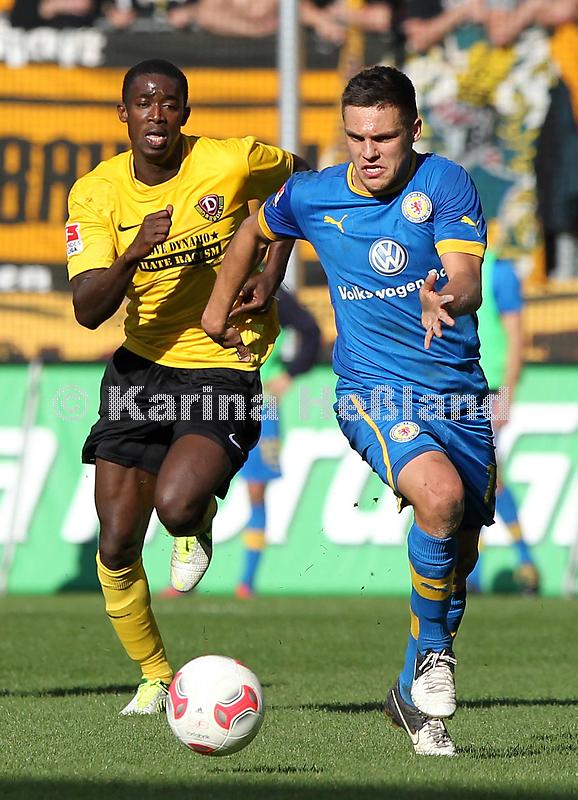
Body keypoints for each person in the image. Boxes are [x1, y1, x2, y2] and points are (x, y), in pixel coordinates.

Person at [202, 65, 496, 757]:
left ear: (413, 130)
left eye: (383, 138)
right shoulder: (314, 193)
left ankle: (411, 694)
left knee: (456, 559)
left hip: (457, 395)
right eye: (356, 137)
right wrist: (226, 307)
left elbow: (467, 280)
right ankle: (435, 664)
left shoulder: (444, 183)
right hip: (372, 391)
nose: (368, 153)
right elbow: (257, 226)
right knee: (439, 497)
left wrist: (446, 298)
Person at [66, 58, 307, 715]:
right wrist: (132, 253)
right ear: (123, 114)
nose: (157, 114)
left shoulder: (229, 161)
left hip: (222, 360)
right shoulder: (95, 194)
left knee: (174, 506)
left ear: (185, 113)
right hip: (140, 366)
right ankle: (154, 677)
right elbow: (87, 309)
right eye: (144, 103)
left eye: (169, 103)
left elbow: (304, 182)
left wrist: (273, 270)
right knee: (116, 541)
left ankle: (194, 522)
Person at [236, 285, 321, 598]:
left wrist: (290, 372)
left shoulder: (269, 288)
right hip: (217, 400)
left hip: (262, 405)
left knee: (256, 493)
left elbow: (311, 330)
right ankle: (187, 577)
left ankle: (246, 582)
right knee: (199, 489)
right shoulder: (211, 279)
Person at [473, 249, 540, 594]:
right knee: (478, 478)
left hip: (488, 389)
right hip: (455, 387)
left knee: (487, 477)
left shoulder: (497, 270)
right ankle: (518, 564)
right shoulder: (439, 263)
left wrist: (507, 394)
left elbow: (516, 334)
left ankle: (520, 564)